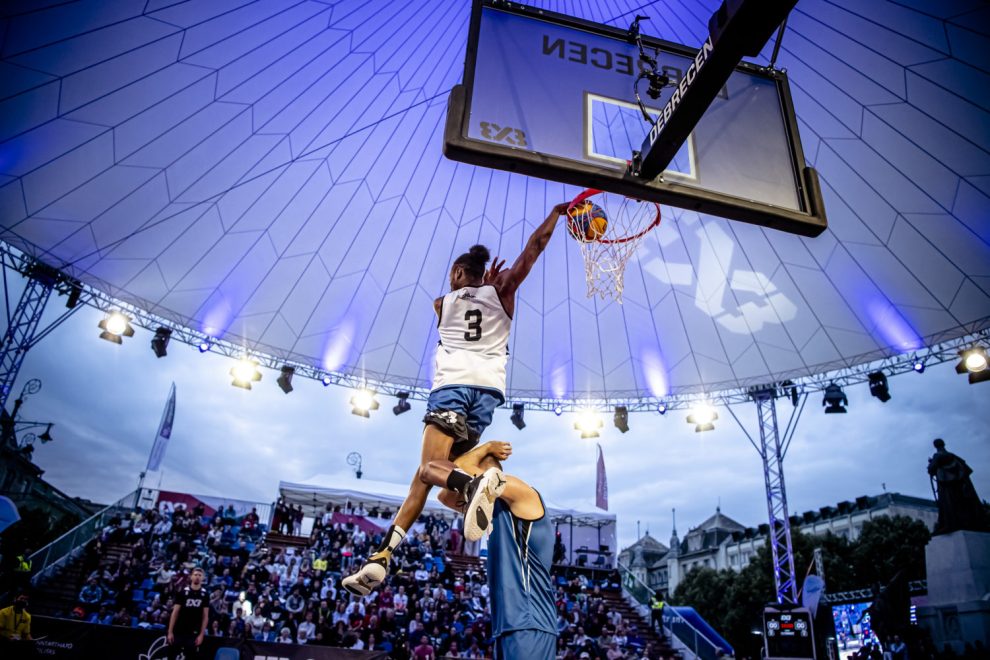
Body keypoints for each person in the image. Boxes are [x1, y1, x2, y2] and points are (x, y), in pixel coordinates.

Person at [343, 201, 570, 596]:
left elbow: (457, 305)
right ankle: (383, 556)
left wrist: (474, 285)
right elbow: (534, 246)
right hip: (486, 395)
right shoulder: (503, 292)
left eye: (454, 273)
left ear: (457, 272)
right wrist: (555, 213)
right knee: (432, 482)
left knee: (432, 469)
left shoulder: (440, 303)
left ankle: (473, 486)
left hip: (451, 389)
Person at [437, 441, 557, 660]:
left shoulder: (524, 493)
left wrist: (487, 447)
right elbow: (444, 497)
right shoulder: (488, 507)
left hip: (530, 621)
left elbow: (460, 467)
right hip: (508, 625)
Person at [166, 566, 209, 659]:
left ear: (203, 578)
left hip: (193, 632)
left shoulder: (205, 595)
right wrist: (170, 632)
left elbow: (205, 616)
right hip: (179, 630)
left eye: (199, 575)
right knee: (172, 655)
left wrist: (201, 634)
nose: (197, 577)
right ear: (191, 577)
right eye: (195, 575)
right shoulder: (183, 592)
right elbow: (175, 613)